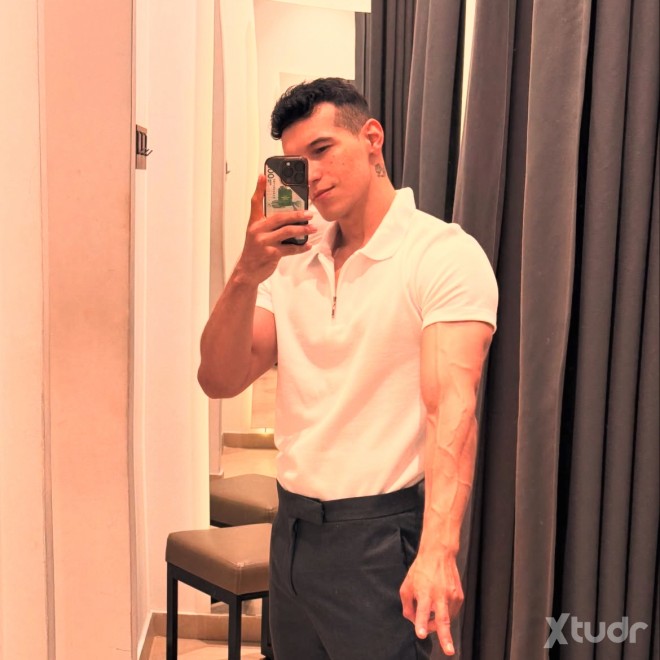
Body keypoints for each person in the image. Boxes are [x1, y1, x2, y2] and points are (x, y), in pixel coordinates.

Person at [198, 77, 498, 660]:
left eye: (322, 149)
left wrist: (438, 549)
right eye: (296, 162)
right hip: (291, 529)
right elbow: (219, 378)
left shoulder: (441, 253)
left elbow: (452, 409)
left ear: (371, 139)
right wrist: (247, 271)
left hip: (379, 539)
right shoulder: (290, 260)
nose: (311, 175)